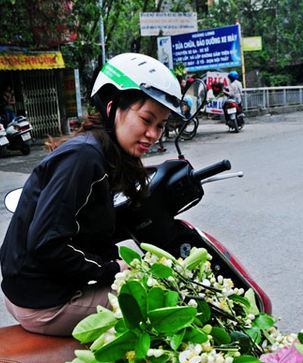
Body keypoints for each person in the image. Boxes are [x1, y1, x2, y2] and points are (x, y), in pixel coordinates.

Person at [0, 53, 183, 336]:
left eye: (160, 125)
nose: (153, 134)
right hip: (44, 301)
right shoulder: (84, 158)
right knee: (165, 303)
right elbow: (48, 245)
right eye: (147, 119)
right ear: (113, 107)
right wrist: (111, 268)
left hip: (39, 287)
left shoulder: (103, 153)